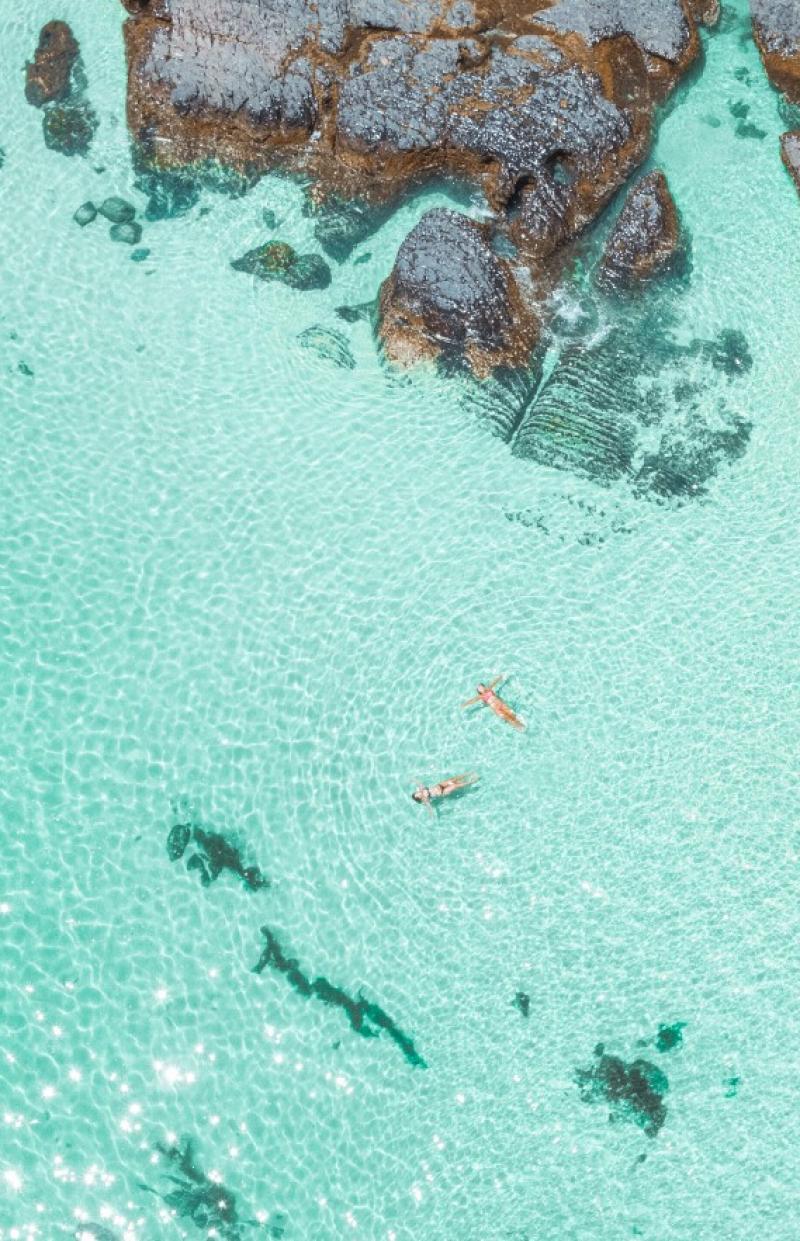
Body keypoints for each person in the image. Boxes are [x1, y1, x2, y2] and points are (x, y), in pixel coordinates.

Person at [412, 773, 479, 810]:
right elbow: (429, 808)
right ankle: (472, 781)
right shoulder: (425, 799)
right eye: (418, 795)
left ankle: (468, 773)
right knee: (455, 785)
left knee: (454, 779)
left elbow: (419, 784)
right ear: (419, 798)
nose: (419, 793)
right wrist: (432, 815)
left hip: (440, 785)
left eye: (416, 793)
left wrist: (414, 779)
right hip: (443, 792)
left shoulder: (422, 789)